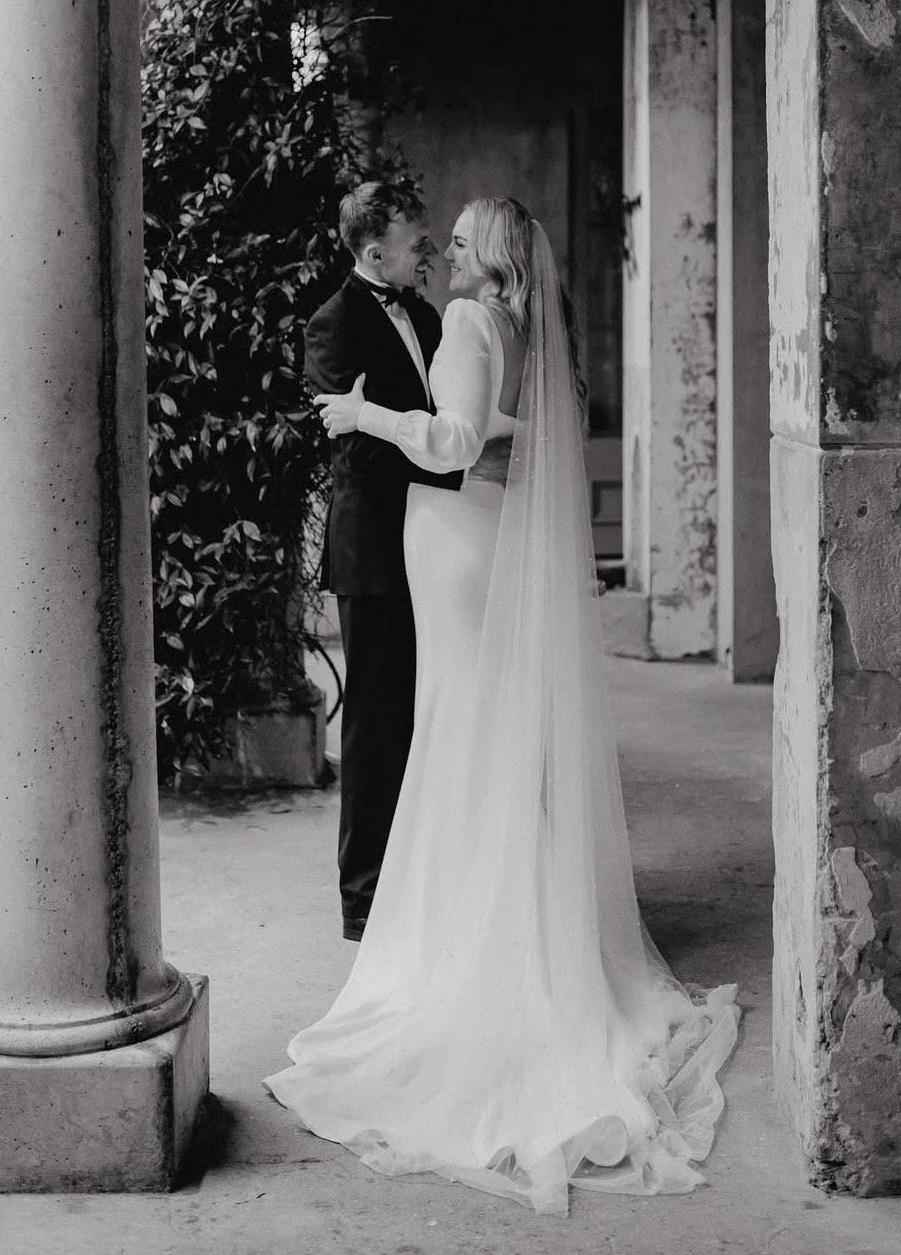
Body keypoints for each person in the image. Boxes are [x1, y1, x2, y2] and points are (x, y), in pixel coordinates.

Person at [267, 196, 740, 1217]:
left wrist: (366, 416)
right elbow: (517, 441)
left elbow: (452, 441)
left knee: (458, 726)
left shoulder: (472, 323)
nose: (444, 246)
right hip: (482, 539)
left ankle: (473, 936)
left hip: (455, 540)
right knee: (476, 723)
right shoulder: (524, 327)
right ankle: (515, 908)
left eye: (460, 234)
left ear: (487, 254)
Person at [303, 182, 461, 943]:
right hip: (375, 546)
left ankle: (426, 873)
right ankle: (362, 899)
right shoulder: (331, 325)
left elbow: (433, 420)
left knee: (433, 706)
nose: (427, 252)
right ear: (373, 252)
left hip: (439, 535)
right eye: (415, 242)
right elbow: (359, 446)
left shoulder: (428, 316)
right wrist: (440, 449)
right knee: (374, 718)